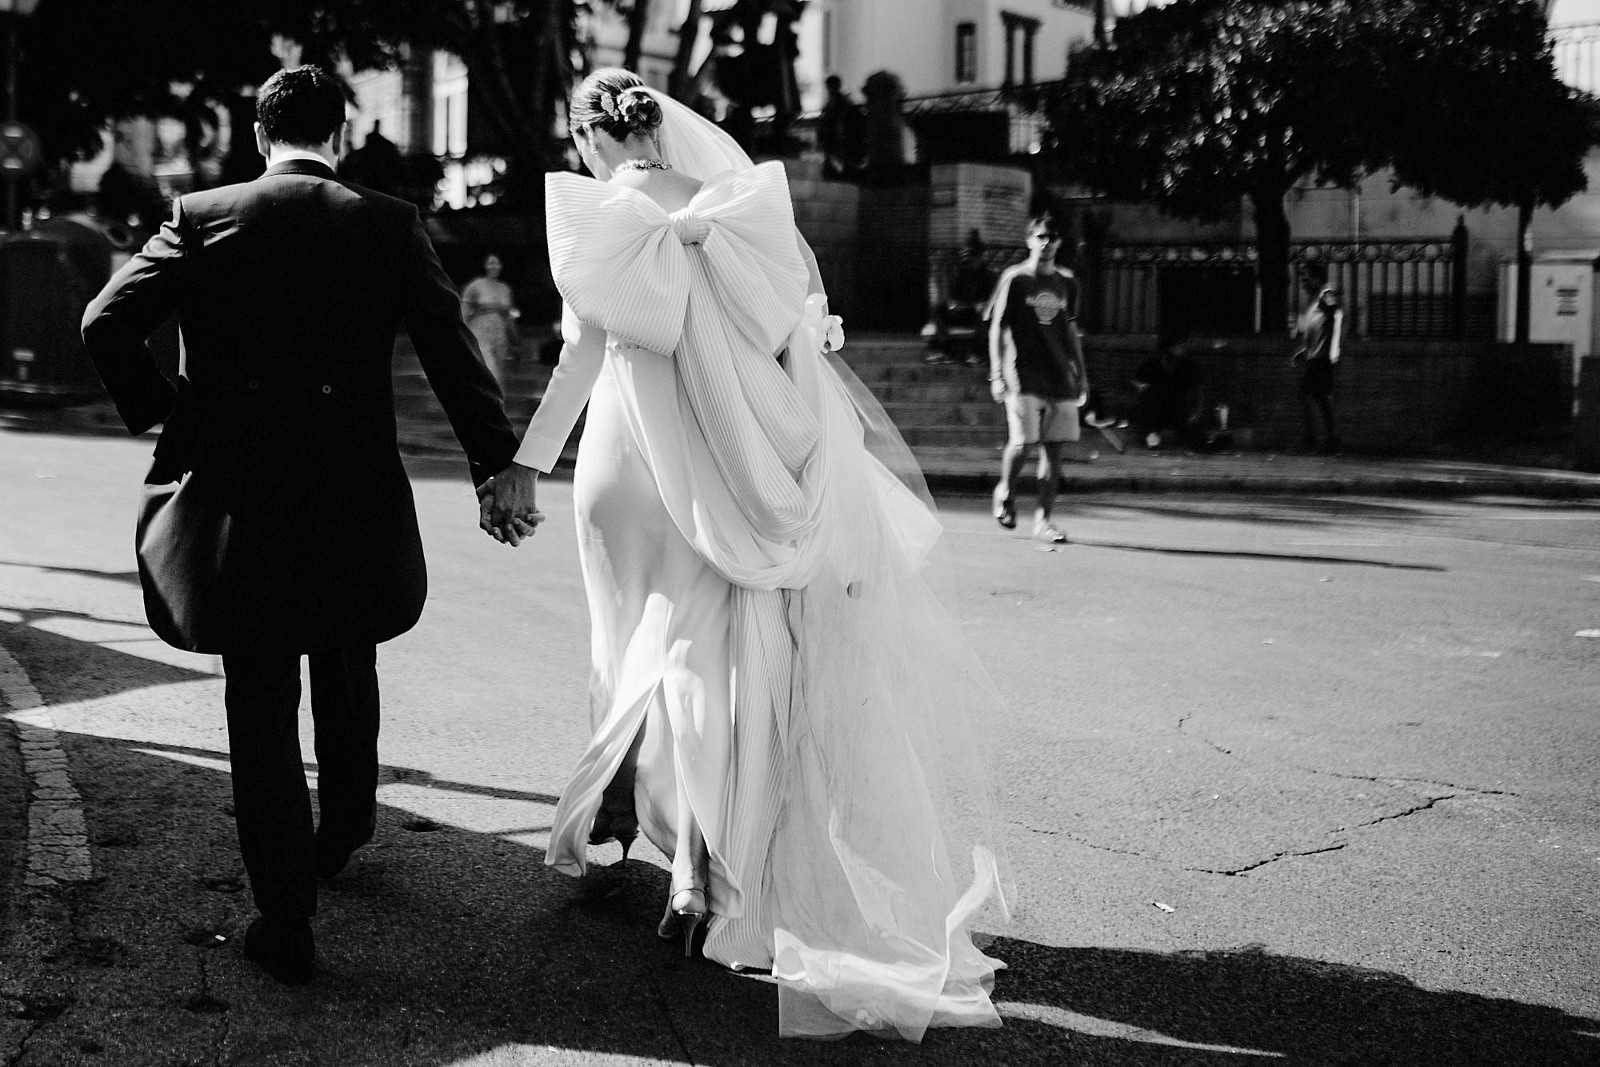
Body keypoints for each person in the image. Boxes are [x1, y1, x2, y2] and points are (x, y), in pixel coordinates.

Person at [479, 68, 1008, 1041]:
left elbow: (583, 356)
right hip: (717, 462)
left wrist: (523, 461)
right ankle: (704, 874)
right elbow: (783, 345)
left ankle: (626, 803)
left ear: (589, 138)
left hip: (624, 465)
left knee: (627, 653)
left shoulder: (604, 218)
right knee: (711, 667)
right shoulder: (734, 213)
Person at [80, 66, 521, 986]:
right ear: (343, 130)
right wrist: (493, 462)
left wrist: (176, 416)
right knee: (347, 644)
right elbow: (451, 347)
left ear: (256, 130)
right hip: (352, 482)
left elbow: (104, 324)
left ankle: (286, 917)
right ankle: (346, 825)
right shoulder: (387, 221)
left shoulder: (203, 214)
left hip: (243, 488)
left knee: (259, 688)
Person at [987, 212, 1088, 544]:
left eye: (1052, 237)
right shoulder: (1016, 280)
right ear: (1029, 240)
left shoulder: (1067, 283)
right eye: (1041, 236)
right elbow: (997, 329)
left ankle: (1043, 520)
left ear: (1059, 242)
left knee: (1054, 450)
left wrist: (1082, 374)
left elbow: (1071, 330)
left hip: (1059, 377)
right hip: (1022, 375)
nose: (1046, 243)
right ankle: (1006, 490)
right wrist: (996, 374)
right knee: (1023, 442)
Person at [1292, 264, 1344, 454]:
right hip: (1316, 357)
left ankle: (1316, 441)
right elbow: (1316, 330)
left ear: (1316, 278)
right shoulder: (1314, 300)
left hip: (1322, 359)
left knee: (1311, 397)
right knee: (1320, 398)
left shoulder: (1326, 293)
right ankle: (1328, 441)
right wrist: (1304, 351)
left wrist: (1334, 349)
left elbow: (1337, 316)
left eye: (1306, 278)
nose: (1303, 282)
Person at [1133, 328, 1206, 449]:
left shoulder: (1187, 365)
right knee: (1150, 436)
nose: (1182, 350)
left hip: (1178, 410)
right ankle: (1151, 436)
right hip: (1156, 412)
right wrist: (1140, 387)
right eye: (1178, 347)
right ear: (1168, 348)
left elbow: (1199, 391)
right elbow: (1136, 381)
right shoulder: (1152, 364)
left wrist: (1197, 413)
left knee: (1196, 441)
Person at [461, 252, 520, 384]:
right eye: (490, 263)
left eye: (496, 263)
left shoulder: (505, 289)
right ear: (485, 265)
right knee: (491, 372)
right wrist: (462, 334)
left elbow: (509, 317)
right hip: (480, 332)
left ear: (501, 266)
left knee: (498, 375)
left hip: (500, 336)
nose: (493, 266)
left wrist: (515, 340)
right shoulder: (476, 285)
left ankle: (494, 403)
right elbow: (464, 310)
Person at [817, 74, 863, 178]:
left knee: (839, 159)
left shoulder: (836, 103)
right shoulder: (840, 102)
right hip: (838, 136)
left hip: (838, 136)